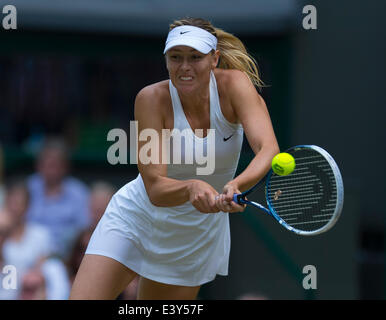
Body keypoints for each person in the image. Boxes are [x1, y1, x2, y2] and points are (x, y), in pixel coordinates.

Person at [70, 17, 279, 300]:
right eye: (176, 57)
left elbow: (268, 149)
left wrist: (236, 184)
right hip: (135, 220)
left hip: (194, 239)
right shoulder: (150, 99)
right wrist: (191, 187)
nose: (184, 67)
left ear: (214, 59)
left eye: (195, 57)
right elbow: (155, 187)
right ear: (166, 60)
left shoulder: (235, 86)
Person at [26, 137, 91, 259]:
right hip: (29, 255)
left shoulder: (79, 192)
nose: (51, 170)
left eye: (55, 165)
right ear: (39, 166)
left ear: (65, 167)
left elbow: (84, 228)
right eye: (47, 164)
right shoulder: (28, 188)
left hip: (66, 257)